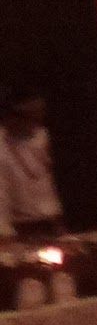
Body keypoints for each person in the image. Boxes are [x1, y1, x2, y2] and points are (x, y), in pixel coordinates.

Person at [1, 93, 64, 240]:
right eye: (32, 117)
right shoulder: (2, 145)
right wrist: (4, 232)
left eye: (40, 116)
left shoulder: (42, 136)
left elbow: (48, 182)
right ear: (12, 117)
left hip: (50, 219)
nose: (37, 123)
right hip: (19, 226)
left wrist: (57, 220)